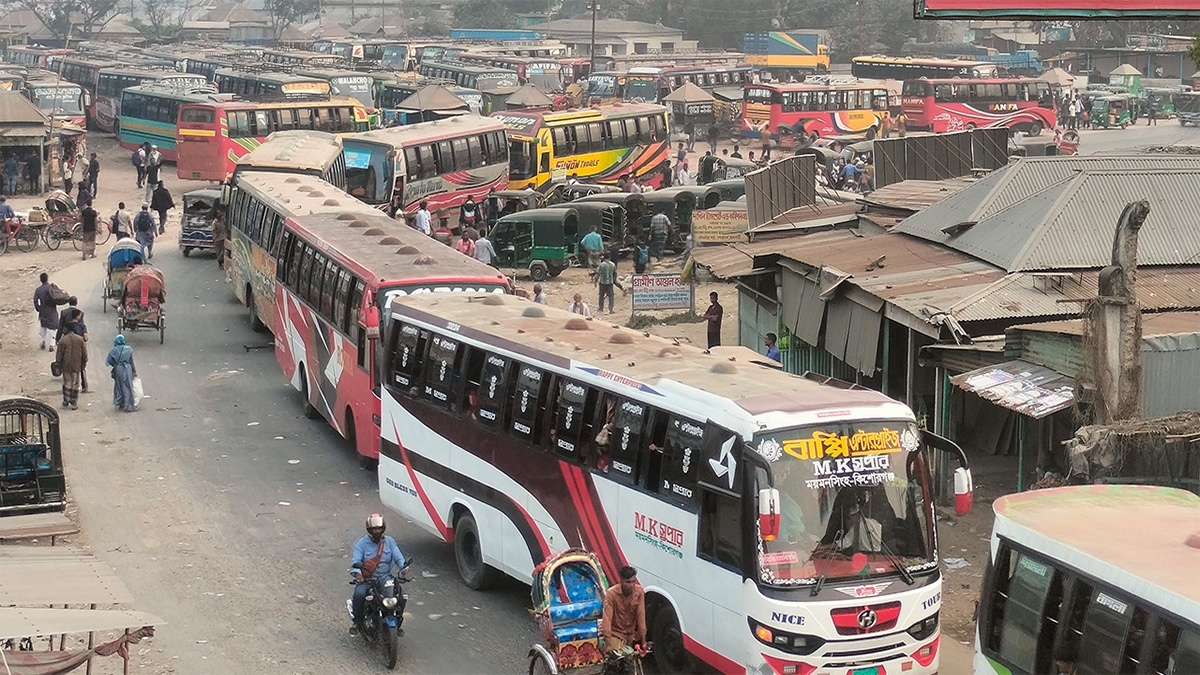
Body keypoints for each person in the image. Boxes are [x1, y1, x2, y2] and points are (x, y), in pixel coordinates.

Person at [350, 513, 408, 635]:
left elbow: (399, 559)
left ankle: (398, 622)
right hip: (368, 579)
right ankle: (357, 621)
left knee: (401, 597)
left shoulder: (390, 542)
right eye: (374, 529)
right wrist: (358, 575)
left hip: (385, 578)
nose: (377, 531)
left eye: (379, 528)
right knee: (359, 595)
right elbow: (356, 561)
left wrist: (405, 571)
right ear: (369, 530)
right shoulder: (362, 543)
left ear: (383, 528)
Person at [601, 566, 646, 653]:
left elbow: (641, 616)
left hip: (631, 634)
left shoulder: (639, 592)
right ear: (621, 581)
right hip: (616, 634)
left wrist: (643, 641)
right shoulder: (611, 594)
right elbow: (607, 619)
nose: (631, 585)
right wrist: (608, 644)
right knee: (617, 657)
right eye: (628, 582)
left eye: (633, 582)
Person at [55, 321, 87, 410]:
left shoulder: (63, 340)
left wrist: (58, 364)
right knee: (75, 384)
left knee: (67, 383)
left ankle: (66, 400)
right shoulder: (80, 340)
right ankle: (74, 402)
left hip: (66, 365)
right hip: (77, 365)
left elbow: (59, 355)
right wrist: (84, 363)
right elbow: (84, 354)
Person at [105, 335, 137, 413]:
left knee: (120, 386)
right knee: (128, 386)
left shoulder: (113, 350)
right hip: (128, 369)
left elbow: (108, 361)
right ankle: (129, 405)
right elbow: (131, 361)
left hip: (119, 369)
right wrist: (134, 371)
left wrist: (116, 365)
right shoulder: (129, 349)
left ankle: (121, 402)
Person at [34, 272, 60, 351]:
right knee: (53, 328)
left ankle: (42, 341)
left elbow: (35, 301)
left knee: (43, 326)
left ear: (40, 280)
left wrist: (39, 308)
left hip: (43, 311)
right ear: (47, 279)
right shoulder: (51, 287)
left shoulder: (38, 290)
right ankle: (52, 344)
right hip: (52, 310)